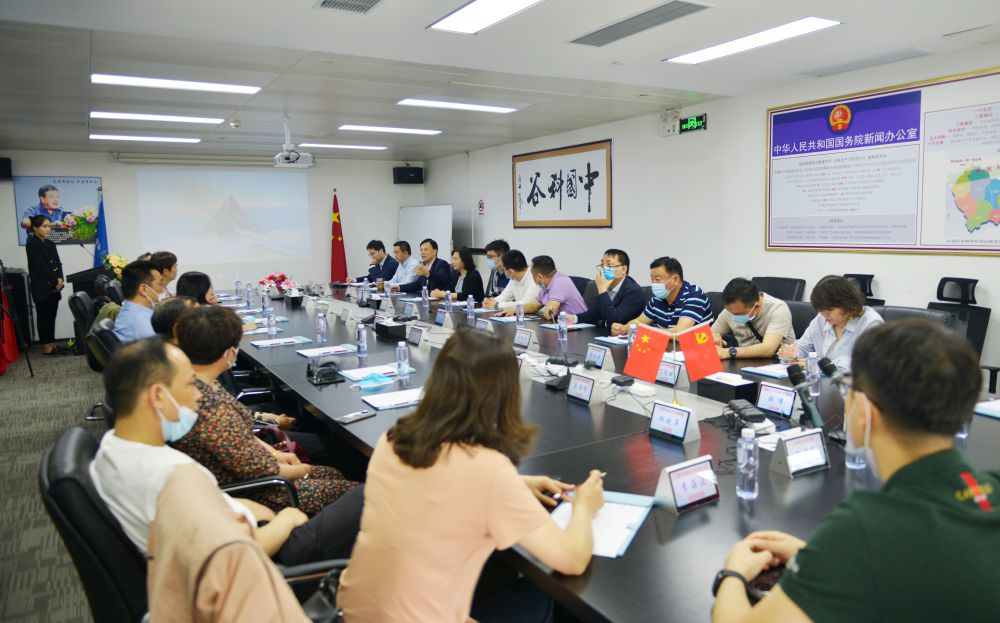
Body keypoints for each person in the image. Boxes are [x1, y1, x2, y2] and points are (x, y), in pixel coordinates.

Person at [712, 319, 999, 622]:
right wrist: (823, 556)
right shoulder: (991, 489)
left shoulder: (862, 528)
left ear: (863, 410)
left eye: (848, 387)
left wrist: (734, 571)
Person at [337, 327, 605, 622]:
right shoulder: (488, 471)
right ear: (505, 394)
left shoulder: (392, 439)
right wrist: (584, 507)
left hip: (354, 611)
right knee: (540, 596)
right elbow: (572, 560)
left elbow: (437, 483)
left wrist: (516, 484)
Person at [90, 337, 364, 566]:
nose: (199, 395)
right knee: (370, 494)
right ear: (159, 396)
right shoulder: (172, 478)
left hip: (253, 525)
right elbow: (235, 555)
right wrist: (287, 519)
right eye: (190, 384)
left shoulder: (112, 449)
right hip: (273, 559)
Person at [172, 305, 358, 516]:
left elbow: (242, 440)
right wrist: (303, 470)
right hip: (265, 494)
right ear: (229, 352)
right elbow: (258, 469)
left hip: (255, 476)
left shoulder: (200, 384)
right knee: (358, 492)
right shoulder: (212, 409)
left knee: (333, 472)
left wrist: (276, 454)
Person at [778, 275, 884, 370]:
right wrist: (792, 353)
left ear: (847, 303)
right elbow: (804, 346)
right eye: (820, 309)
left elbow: (866, 364)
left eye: (829, 310)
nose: (825, 315)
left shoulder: (871, 323)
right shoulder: (822, 318)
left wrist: (817, 365)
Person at [611, 256, 712, 336]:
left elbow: (680, 332)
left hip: (695, 350)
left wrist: (647, 333)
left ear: (675, 279)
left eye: (658, 279)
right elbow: (639, 321)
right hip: (665, 347)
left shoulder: (694, 295)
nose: (654, 284)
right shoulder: (658, 298)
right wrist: (624, 328)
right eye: (652, 279)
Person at [712, 278, 794, 360]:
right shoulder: (732, 309)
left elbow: (768, 349)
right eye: (730, 312)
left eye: (737, 314)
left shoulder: (778, 309)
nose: (733, 316)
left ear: (756, 307)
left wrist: (728, 352)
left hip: (775, 363)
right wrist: (713, 337)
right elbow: (709, 335)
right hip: (743, 362)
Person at [567, 248, 646, 329]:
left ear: (623, 269)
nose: (603, 269)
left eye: (609, 265)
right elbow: (595, 313)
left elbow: (615, 321)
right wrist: (573, 318)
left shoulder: (634, 292)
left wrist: (602, 290)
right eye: (602, 265)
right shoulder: (608, 286)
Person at [503, 255, 587, 321]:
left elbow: (549, 314)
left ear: (539, 277)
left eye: (532, 274)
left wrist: (545, 310)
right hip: (564, 325)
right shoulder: (546, 286)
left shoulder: (560, 282)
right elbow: (533, 305)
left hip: (580, 327)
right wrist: (515, 309)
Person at [24, 215, 64, 354]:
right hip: (42, 287)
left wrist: (60, 279)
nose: (48, 229)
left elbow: (58, 263)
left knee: (52, 316)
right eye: (44, 226)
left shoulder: (50, 243)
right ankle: (46, 346)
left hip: (55, 286)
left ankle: (51, 342)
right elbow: (40, 267)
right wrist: (55, 281)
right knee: (43, 316)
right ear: (35, 228)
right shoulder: (32, 244)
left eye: (49, 226)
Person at [112, 260, 164, 344]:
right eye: (160, 284)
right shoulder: (143, 326)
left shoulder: (132, 310)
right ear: (144, 289)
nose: (163, 289)